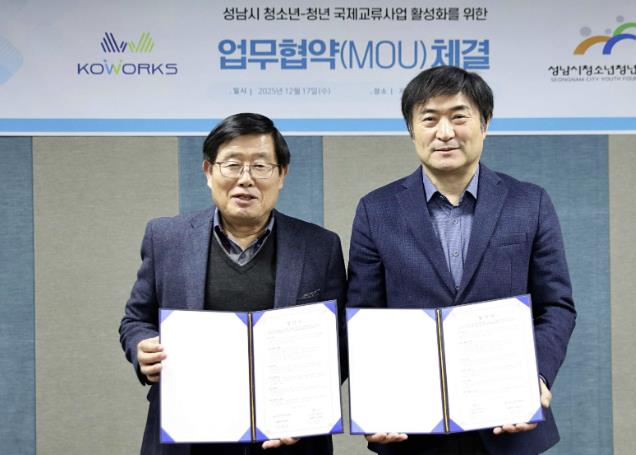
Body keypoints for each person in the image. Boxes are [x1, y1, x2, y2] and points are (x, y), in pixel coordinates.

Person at [347, 66, 576, 455]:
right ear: (411, 129)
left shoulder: (529, 202)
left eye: (458, 116)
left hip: (508, 423)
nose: (445, 132)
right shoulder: (376, 210)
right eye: (429, 119)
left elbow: (556, 306)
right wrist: (375, 401)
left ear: (484, 124)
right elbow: (364, 318)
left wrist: (534, 376)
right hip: (411, 427)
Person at [119, 113, 347, 455]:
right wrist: (141, 348)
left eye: (260, 166)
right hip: (188, 435)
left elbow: (339, 341)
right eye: (232, 165)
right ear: (208, 171)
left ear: (282, 174)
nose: (246, 179)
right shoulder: (166, 238)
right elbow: (135, 320)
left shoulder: (320, 246)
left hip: (288, 439)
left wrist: (306, 406)